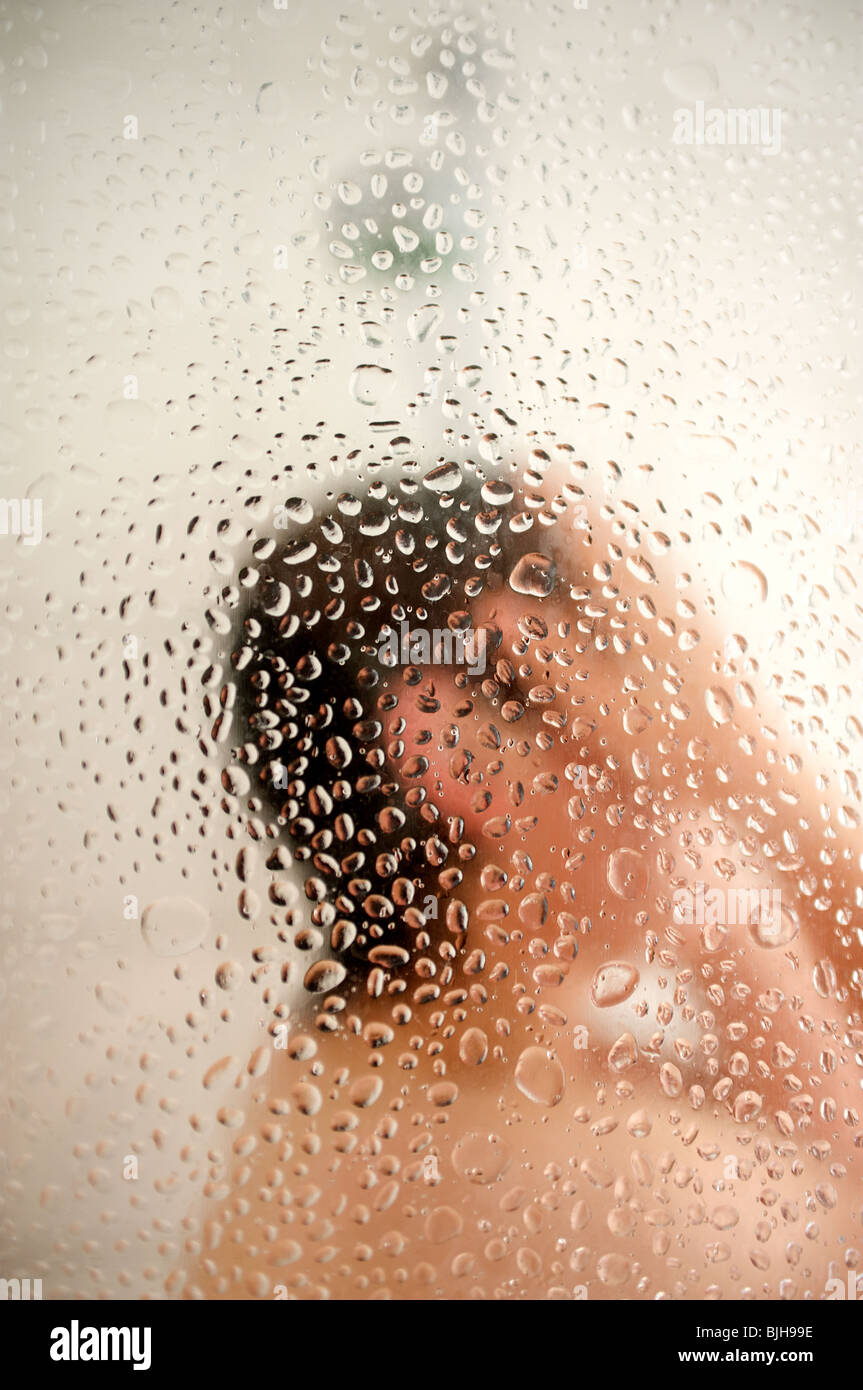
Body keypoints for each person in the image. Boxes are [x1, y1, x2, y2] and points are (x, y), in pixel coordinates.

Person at [182, 457, 862, 1300]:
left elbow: (827, 1116)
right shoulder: (597, 1181)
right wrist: (747, 763)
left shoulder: (378, 1076)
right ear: (455, 746)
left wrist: (718, 903)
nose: (662, 746)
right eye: (628, 678)